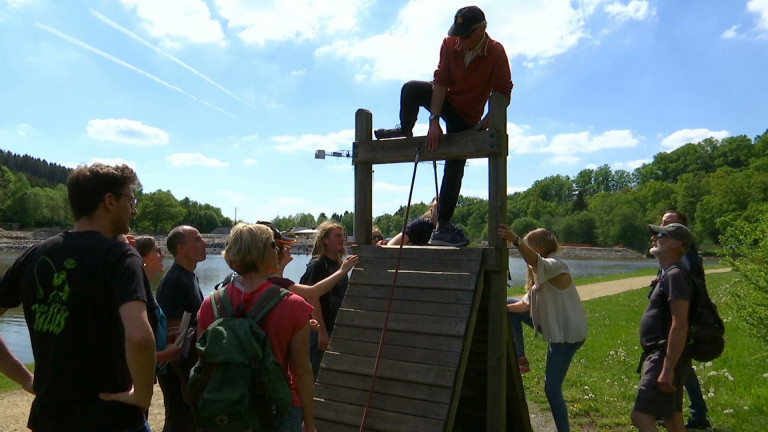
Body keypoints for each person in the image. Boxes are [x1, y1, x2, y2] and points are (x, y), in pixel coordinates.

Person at [0, 163, 156, 432]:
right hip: (112, 420)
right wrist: (142, 395)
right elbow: (140, 336)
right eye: (131, 199)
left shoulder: (34, 255)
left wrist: (27, 380)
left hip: (49, 420)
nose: (135, 209)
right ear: (108, 201)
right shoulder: (120, 257)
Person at [375, 5, 513, 247]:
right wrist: (434, 121)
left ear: (483, 29)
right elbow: (440, 82)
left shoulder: (496, 52)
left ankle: (444, 226)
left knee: (455, 161)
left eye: (466, 35)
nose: (461, 40)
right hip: (447, 102)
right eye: (458, 34)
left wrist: (481, 128)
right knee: (411, 89)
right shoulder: (450, 44)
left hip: (467, 117)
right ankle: (404, 128)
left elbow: (503, 94)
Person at [197, 223, 316, 431]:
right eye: (273, 245)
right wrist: (311, 423)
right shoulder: (294, 305)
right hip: (276, 410)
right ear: (264, 252)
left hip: (227, 410)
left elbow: (202, 363)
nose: (277, 250)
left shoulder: (211, 303)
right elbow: (302, 372)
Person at [498, 225, 587, 432]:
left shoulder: (555, 265)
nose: (523, 255)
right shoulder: (540, 275)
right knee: (510, 302)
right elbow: (523, 306)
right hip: (557, 331)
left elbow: (534, 260)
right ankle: (521, 358)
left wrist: (516, 241)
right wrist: (500, 308)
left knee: (551, 389)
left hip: (566, 337)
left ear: (537, 247)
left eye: (528, 247)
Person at [631, 223, 694, 432]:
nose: (653, 238)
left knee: (640, 415)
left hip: (663, 355)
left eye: (659, 235)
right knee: (672, 418)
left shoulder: (676, 275)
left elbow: (680, 323)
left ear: (675, 243)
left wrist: (667, 369)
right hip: (664, 354)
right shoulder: (669, 273)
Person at [652, 212, 711, 430]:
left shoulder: (685, 255)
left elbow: (686, 290)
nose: (662, 225)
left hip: (679, 321)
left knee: (677, 365)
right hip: (673, 320)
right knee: (679, 366)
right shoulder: (681, 254)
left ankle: (695, 414)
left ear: (681, 228)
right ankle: (691, 413)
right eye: (662, 222)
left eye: (667, 223)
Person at [156, 225, 207, 432]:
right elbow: (173, 339)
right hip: (176, 372)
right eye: (197, 239)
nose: (204, 243)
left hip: (187, 369)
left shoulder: (189, 276)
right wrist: (185, 380)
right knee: (179, 422)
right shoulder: (175, 282)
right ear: (181, 248)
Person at [300, 221, 349, 379]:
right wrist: (321, 332)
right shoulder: (318, 265)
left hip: (334, 328)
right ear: (325, 240)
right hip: (318, 330)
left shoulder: (340, 264)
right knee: (313, 373)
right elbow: (311, 298)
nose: (342, 239)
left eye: (342, 236)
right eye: (337, 236)